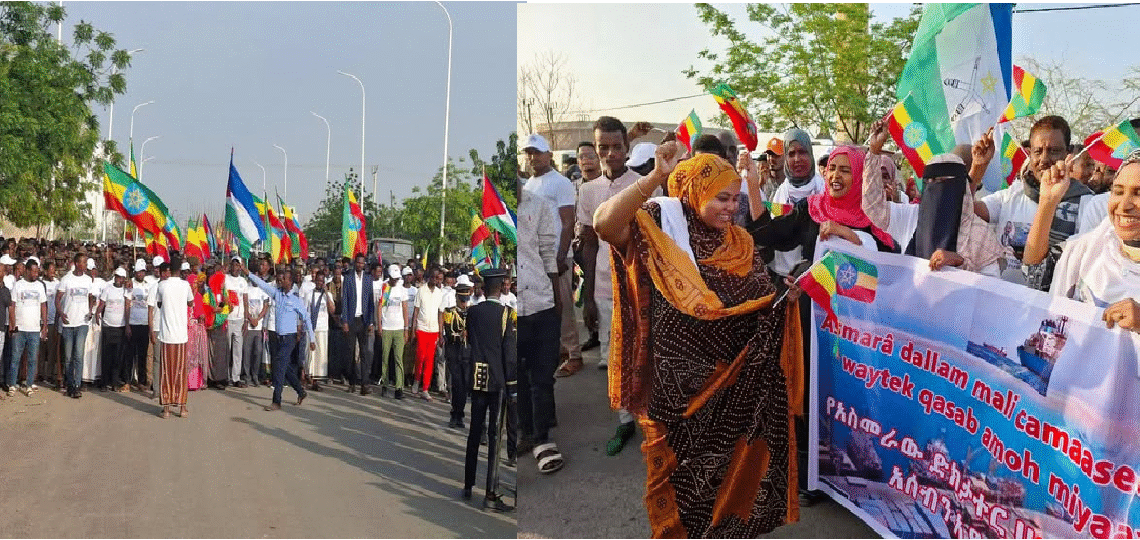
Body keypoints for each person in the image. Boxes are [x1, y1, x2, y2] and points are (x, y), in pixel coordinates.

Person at [593, 147, 802, 537]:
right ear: (693, 191)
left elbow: (755, 305)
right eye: (721, 197)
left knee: (728, 492)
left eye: (735, 198)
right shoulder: (658, 228)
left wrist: (782, 299)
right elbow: (604, 225)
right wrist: (654, 177)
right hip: (674, 397)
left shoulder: (739, 242)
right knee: (681, 499)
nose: (731, 207)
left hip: (730, 391)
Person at [861, 120, 1006, 275]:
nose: (937, 188)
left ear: (960, 187)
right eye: (931, 182)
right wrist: (874, 151)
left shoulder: (980, 233)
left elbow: (990, 290)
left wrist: (960, 263)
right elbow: (872, 207)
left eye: (945, 182)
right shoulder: (910, 216)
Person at [973, 115, 1094, 290]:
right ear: (1029, 154)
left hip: (1050, 310)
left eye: (1053, 151)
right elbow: (964, 212)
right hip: (1002, 301)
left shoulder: (1087, 203)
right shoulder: (1012, 195)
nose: (1044, 159)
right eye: (1038, 151)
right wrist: (978, 168)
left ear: (1068, 155)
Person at [1051, 148, 1140, 332]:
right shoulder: (1082, 251)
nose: (1124, 205)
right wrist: (1047, 201)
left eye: (1138, 193)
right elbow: (1051, 321)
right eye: (1118, 191)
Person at [516, 172, 563, 474]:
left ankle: (542, 438)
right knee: (518, 377)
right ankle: (526, 431)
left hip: (542, 303)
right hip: (514, 311)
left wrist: (557, 298)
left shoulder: (540, 205)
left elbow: (549, 254)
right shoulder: (496, 214)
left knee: (542, 378)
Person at [522, 133, 580, 375]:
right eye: (529, 153)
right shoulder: (528, 185)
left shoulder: (561, 183)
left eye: (537, 152)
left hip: (557, 256)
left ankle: (574, 355)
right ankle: (557, 351)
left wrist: (560, 256)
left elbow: (568, 222)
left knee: (563, 306)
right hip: (535, 259)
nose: (533, 157)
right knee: (544, 308)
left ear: (549, 155)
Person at [461, 268, 516, 513]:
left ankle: (468, 484)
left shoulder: (472, 312)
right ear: (501, 285)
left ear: (484, 287)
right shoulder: (507, 314)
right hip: (497, 378)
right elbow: (509, 353)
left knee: (475, 432)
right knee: (495, 436)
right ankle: (490, 494)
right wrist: (512, 387)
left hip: (476, 374)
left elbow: (471, 341)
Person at [245, 266, 315, 411]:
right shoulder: (277, 294)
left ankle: (276, 401)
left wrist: (312, 339)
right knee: (286, 368)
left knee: (279, 367)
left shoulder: (295, 299)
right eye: (280, 278)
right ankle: (301, 392)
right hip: (278, 337)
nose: (280, 280)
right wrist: (249, 274)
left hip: (290, 338)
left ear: (290, 281)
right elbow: (263, 285)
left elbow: (306, 318)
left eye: (284, 279)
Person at [149, 262, 194, 419]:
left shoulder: (162, 286)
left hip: (167, 336)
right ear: (180, 271)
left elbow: (159, 304)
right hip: (180, 336)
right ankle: (182, 408)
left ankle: (167, 409)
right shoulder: (185, 285)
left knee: (166, 372)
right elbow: (191, 302)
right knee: (181, 372)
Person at [57, 253, 94, 398]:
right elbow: (58, 298)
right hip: (68, 323)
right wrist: (61, 313)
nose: (85, 265)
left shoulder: (88, 280)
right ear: (77, 264)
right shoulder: (66, 279)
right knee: (68, 357)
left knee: (78, 355)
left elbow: (91, 296)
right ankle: (70, 384)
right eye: (83, 263)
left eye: (86, 263)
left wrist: (90, 310)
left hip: (82, 323)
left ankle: (77, 385)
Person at [8, 258, 45, 396]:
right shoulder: (18, 285)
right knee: (15, 358)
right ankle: (12, 384)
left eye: (37, 271)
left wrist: (45, 325)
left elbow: (43, 305)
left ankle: (29, 384)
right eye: (34, 271)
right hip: (20, 328)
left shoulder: (40, 286)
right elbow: (12, 306)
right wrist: (13, 324)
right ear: (27, 271)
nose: (36, 274)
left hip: (34, 329)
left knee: (32, 359)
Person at [340, 253, 375, 396]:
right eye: (358, 263)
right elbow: (345, 301)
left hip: (364, 319)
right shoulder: (348, 279)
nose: (360, 265)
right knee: (350, 352)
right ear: (355, 263)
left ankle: (364, 384)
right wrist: (345, 321)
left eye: (363, 263)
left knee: (364, 353)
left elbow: (371, 301)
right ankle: (352, 381)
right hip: (351, 319)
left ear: (365, 264)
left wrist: (371, 322)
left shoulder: (368, 279)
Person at [411, 267, 445, 401]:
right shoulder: (421, 291)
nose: (435, 280)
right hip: (421, 328)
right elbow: (416, 312)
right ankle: (416, 380)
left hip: (434, 330)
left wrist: (441, 334)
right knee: (420, 356)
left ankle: (425, 388)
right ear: (429, 277)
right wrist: (413, 330)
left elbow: (440, 314)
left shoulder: (439, 293)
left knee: (430, 359)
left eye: (437, 278)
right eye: (433, 277)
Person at [444, 275, 473, 428]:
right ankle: (455, 414)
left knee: (465, 385)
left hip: (467, 353)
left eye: (465, 300)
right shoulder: (450, 312)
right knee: (457, 384)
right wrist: (461, 335)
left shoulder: (471, 313)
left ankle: (460, 414)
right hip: (454, 352)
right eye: (462, 300)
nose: (464, 303)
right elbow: (449, 333)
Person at [376, 263, 408, 398]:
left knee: (398, 359)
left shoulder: (402, 290)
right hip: (387, 328)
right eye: (393, 278)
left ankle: (399, 388)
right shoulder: (384, 287)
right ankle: (384, 384)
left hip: (399, 328)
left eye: (397, 278)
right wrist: (379, 325)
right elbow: (379, 308)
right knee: (385, 357)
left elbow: (405, 309)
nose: (395, 280)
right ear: (389, 276)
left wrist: (406, 329)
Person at [95, 268, 129, 392]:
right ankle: (104, 382)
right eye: (118, 277)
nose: (119, 279)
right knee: (107, 356)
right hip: (108, 326)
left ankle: (114, 382)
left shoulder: (126, 290)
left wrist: (127, 325)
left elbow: (127, 307)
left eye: (122, 277)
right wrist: (97, 313)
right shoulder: (108, 289)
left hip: (120, 327)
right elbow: (102, 304)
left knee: (117, 357)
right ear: (115, 277)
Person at [304, 267, 333, 391]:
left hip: (322, 328)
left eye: (322, 281)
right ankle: (309, 378)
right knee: (310, 355)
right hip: (311, 328)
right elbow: (304, 312)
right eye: (318, 280)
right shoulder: (309, 294)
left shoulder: (328, 295)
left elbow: (332, 310)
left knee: (320, 355)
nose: (320, 283)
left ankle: (318, 381)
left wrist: (326, 293)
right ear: (315, 280)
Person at [223, 257, 249, 388]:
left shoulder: (243, 281)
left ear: (240, 267)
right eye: (233, 265)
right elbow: (221, 294)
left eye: (237, 265)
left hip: (239, 320)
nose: (235, 268)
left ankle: (236, 377)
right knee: (227, 349)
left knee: (238, 351)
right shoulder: (225, 279)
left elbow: (245, 301)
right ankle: (226, 376)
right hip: (227, 318)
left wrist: (246, 319)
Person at [243, 260, 269, 388]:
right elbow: (245, 305)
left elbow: (265, 307)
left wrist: (258, 319)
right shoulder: (246, 288)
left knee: (258, 352)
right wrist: (249, 318)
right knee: (247, 352)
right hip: (248, 325)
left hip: (258, 326)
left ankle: (255, 376)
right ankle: (247, 376)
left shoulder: (263, 289)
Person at [126, 260, 151, 391]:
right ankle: (128, 381)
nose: (140, 274)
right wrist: (127, 325)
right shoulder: (130, 284)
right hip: (133, 323)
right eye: (138, 272)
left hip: (145, 324)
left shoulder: (149, 285)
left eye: (142, 272)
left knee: (142, 355)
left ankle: (142, 381)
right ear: (135, 272)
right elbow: (127, 304)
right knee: (130, 354)